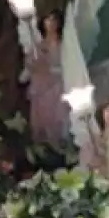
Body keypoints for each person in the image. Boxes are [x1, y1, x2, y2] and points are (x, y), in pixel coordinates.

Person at [25, 9, 66, 148]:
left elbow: (66, 67)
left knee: (55, 120)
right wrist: (35, 65)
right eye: (48, 20)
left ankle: (57, 147)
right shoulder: (39, 46)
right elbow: (30, 65)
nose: (51, 23)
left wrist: (50, 70)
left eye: (54, 20)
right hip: (40, 88)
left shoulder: (64, 46)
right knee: (39, 119)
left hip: (56, 89)